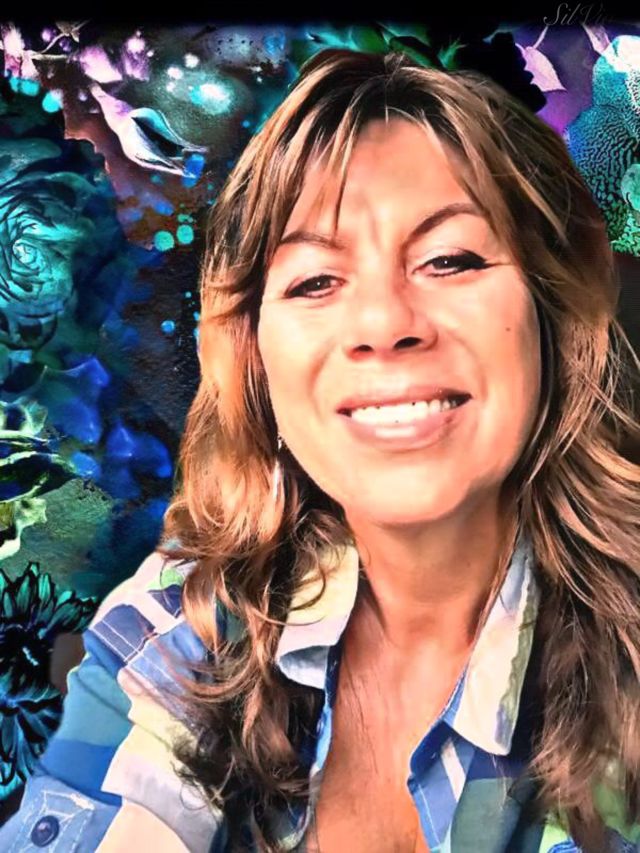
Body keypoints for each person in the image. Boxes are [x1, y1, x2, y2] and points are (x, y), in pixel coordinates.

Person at [2, 46, 640, 853]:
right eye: (315, 281)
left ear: (553, 318)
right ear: (254, 356)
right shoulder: (184, 618)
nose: (383, 323)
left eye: (449, 260)